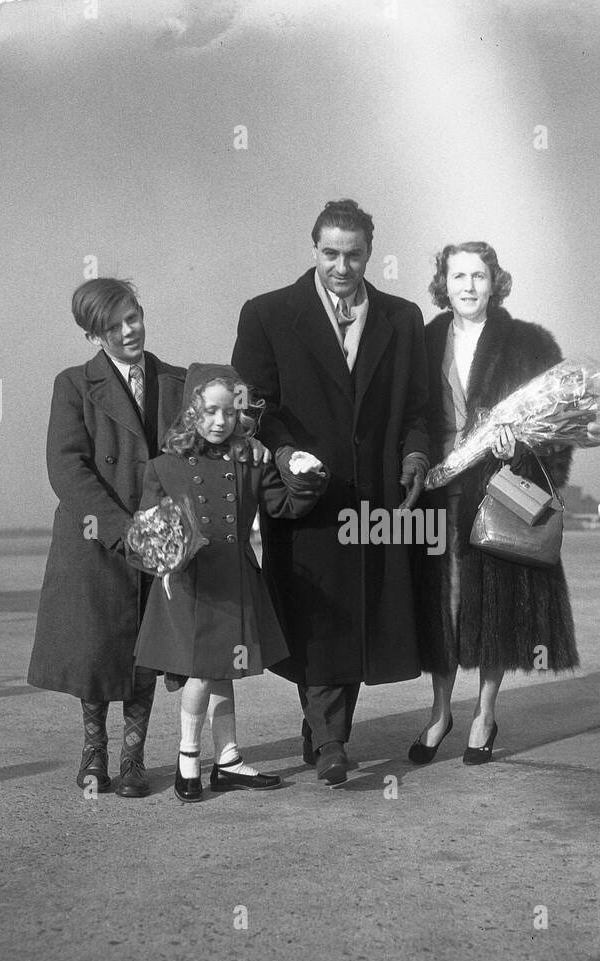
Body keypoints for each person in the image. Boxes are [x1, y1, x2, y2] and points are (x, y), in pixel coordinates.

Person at [232, 198, 431, 787]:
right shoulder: (267, 314)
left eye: (354, 254)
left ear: (371, 252)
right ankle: (331, 740)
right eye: (330, 254)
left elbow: (418, 407)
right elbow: (254, 404)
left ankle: (324, 734)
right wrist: (287, 450)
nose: (342, 266)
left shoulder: (403, 318)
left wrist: (416, 453)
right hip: (304, 497)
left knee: (357, 612)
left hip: (374, 498)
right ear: (313, 247)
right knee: (318, 614)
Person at [409, 241, 579, 765]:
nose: (467, 286)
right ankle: (440, 712)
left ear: (494, 281)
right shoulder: (422, 339)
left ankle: (484, 712)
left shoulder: (529, 344)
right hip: (436, 494)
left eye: (478, 276)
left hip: (498, 491)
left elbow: (560, 424)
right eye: (457, 275)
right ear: (444, 282)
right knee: (442, 607)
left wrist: (523, 449)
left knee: (493, 604)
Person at [132, 365, 329, 802]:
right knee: (203, 673)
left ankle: (228, 759)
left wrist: (303, 471)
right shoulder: (165, 466)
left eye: (228, 412)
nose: (220, 421)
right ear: (191, 414)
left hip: (234, 580)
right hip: (188, 585)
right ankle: (188, 759)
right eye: (209, 412)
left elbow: (284, 504)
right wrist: (164, 559)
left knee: (223, 674)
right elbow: (148, 527)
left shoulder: (249, 461)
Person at [27, 278, 188, 799]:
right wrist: (123, 529)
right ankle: (93, 752)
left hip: (157, 541)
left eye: (133, 317)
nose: (128, 332)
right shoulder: (73, 385)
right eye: (112, 327)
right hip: (95, 540)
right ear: (93, 336)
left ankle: (134, 759)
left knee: (146, 652)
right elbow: (66, 467)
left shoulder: (178, 381)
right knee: (96, 651)